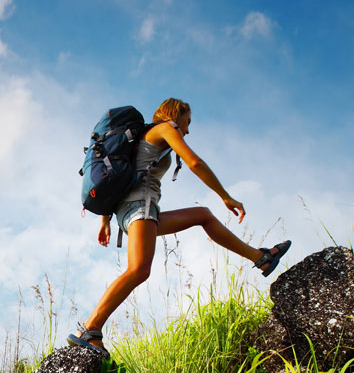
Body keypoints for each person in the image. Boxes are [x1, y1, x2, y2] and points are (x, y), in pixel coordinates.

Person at [69, 97, 290, 353]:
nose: (188, 128)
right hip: (139, 207)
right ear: (177, 114)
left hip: (136, 209)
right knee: (138, 270)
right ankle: (88, 329)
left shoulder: (144, 135)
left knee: (203, 215)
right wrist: (226, 196)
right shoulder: (165, 128)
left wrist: (106, 220)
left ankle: (260, 257)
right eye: (188, 120)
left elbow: (122, 173)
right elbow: (195, 162)